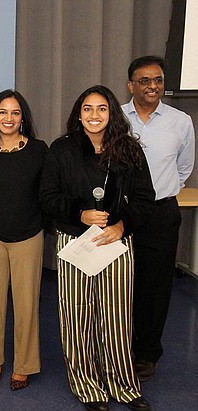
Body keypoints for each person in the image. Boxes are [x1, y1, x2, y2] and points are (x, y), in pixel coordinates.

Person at [39, 85, 155, 411]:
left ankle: (123, 385)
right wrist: (79, 213)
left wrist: (121, 226)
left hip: (115, 243)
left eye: (101, 109)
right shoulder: (61, 150)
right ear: (79, 114)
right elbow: (47, 198)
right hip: (75, 241)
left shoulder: (129, 150)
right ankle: (87, 386)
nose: (94, 115)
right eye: (88, 109)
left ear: (111, 113)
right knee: (77, 318)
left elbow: (145, 199)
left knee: (117, 319)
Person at [122, 55, 195, 382]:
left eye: (158, 80)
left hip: (161, 213)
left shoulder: (180, 121)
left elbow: (184, 167)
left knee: (156, 287)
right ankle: (117, 348)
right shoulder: (116, 118)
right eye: (145, 81)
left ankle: (148, 353)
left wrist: (164, 190)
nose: (153, 86)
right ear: (131, 85)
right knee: (119, 285)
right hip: (122, 213)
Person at [0, 90, 47, 391]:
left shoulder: (40, 150)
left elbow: (47, 192)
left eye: (15, 112)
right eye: (3, 112)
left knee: (26, 303)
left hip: (29, 234)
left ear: (23, 117)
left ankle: (24, 364)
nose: (9, 118)